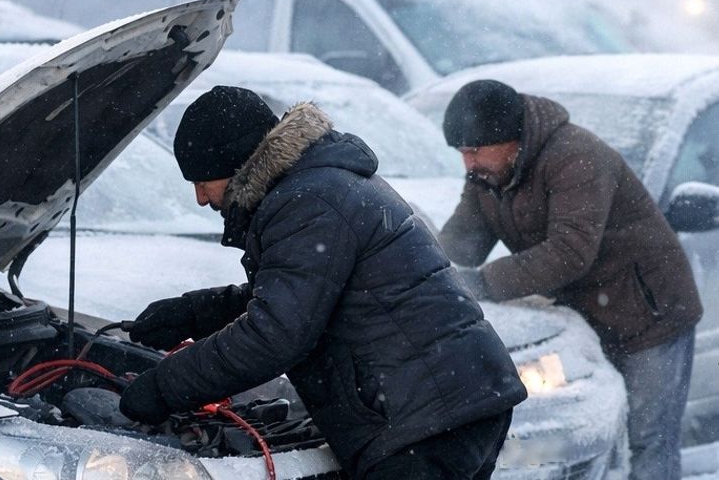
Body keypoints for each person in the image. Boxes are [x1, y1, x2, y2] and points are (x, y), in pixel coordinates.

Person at [118, 85, 527, 479]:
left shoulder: (308, 200)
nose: (201, 198)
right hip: (451, 404)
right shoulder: (318, 184)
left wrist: (165, 385)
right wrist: (196, 312)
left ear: (235, 165)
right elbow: (304, 296)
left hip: (425, 420)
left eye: (202, 180)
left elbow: (274, 335)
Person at [438, 80, 703, 480]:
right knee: (583, 444)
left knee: (647, 442)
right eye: (462, 153)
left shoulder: (575, 157)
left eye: (475, 151)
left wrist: (480, 284)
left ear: (511, 139)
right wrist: (431, 277)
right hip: (585, 318)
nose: (469, 164)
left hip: (651, 315)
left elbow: (569, 252)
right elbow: (461, 239)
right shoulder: (487, 175)